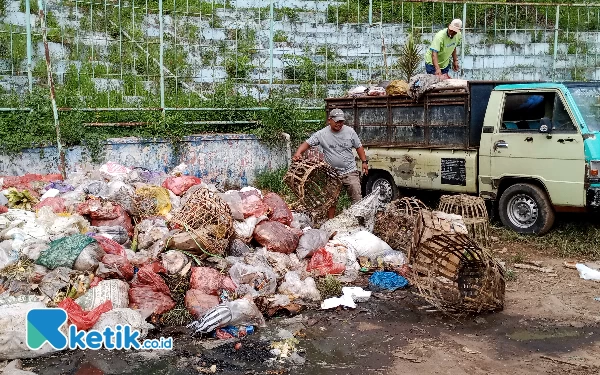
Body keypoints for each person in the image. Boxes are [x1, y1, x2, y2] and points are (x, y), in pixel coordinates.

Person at [292, 108, 368, 219]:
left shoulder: (350, 132)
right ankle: (330, 222)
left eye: (341, 121)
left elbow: (359, 147)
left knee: (357, 197)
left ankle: (360, 221)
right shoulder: (322, 134)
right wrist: (298, 152)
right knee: (331, 200)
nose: (339, 124)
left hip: (350, 171)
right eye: (337, 121)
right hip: (332, 173)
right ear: (329, 120)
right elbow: (307, 143)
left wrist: (364, 162)